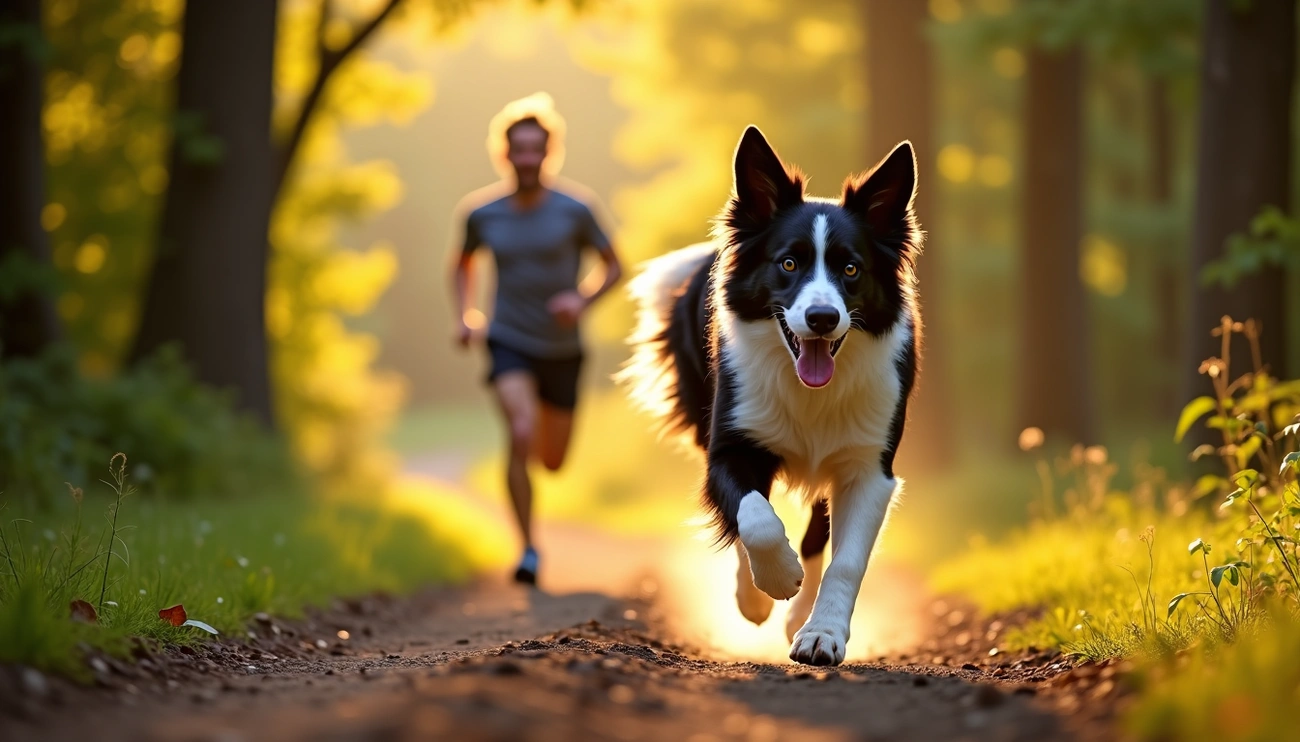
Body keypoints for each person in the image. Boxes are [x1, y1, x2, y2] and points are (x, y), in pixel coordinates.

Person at [449, 93, 623, 586]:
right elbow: (461, 264)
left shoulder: (576, 209)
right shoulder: (482, 213)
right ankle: (527, 549)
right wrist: (466, 315)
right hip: (508, 338)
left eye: (536, 149)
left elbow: (615, 266)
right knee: (520, 430)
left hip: (563, 350)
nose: (527, 158)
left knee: (552, 459)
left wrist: (581, 301)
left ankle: (531, 528)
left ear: (550, 152)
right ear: (503, 153)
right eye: (518, 149)